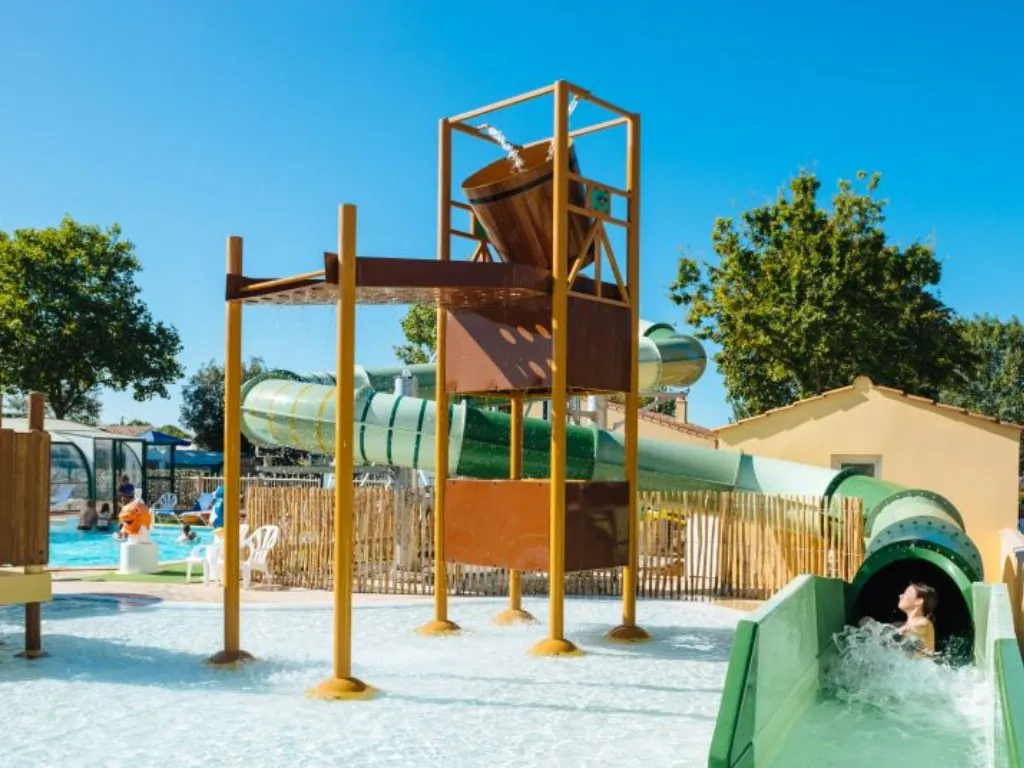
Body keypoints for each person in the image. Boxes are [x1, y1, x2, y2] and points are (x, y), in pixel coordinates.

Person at [859, 582, 938, 659]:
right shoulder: (898, 625)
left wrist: (902, 630)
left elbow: (916, 627)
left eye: (906, 593)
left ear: (918, 601)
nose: (900, 596)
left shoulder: (925, 622)